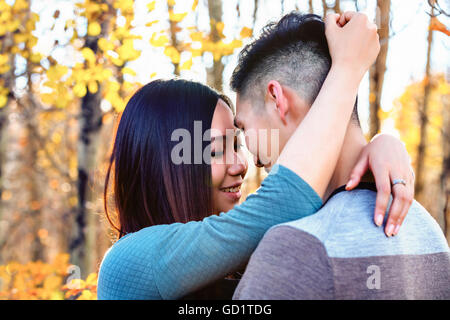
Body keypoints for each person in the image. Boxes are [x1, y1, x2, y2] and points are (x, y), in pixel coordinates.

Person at [97, 12, 412, 300]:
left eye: (237, 144)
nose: (242, 163)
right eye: (215, 149)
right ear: (165, 165)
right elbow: (287, 202)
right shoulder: (129, 264)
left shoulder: (241, 256)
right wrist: (348, 68)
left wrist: (376, 148)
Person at [231, 12, 450, 300]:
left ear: (277, 100)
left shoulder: (294, 248)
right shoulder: (429, 232)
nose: (253, 159)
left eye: (244, 127)